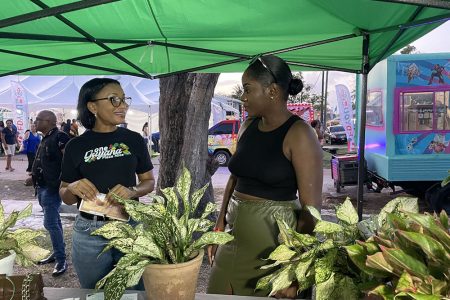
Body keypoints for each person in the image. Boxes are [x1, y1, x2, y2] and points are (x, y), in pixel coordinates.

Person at [207, 55, 323, 298]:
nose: (243, 97)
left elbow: (311, 213)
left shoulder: (300, 134)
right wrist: (219, 225)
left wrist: (293, 271)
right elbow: (235, 177)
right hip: (233, 239)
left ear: (272, 91)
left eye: (248, 89)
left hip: (273, 250)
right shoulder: (248, 124)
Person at [59, 78, 155, 289]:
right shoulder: (75, 146)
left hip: (130, 225)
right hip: (89, 231)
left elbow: (149, 182)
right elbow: (64, 192)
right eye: (114, 99)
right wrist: (73, 188)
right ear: (92, 106)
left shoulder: (134, 139)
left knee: (135, 290)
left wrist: (133, 191)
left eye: (123, 99)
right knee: (95, 292)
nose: (123, 105)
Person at [32, 110, 70, 277]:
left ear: (48, 121)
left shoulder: (60, 137)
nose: (35, 122)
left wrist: (62, 183)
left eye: (38, 119)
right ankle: (57, 253)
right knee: (55, 222)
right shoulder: (46, 138)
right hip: (41, 187)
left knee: (50, 223)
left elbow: (70, 161)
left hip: (52, 189)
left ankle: (61, 260)